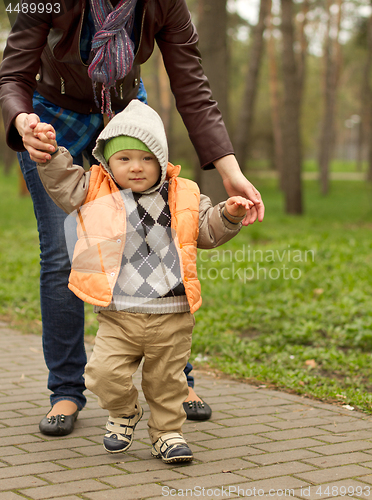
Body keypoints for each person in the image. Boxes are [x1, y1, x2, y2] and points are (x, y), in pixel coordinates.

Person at [0, 0, 265, 435]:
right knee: (63, 255)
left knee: (157, 239)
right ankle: (66, 389)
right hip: (48, 120)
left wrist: (229, 171)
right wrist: (21, 119)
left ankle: (179, 382)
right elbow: (12, 74)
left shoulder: (164, 3)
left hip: (125, 119)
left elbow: (191, 82)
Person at [35, 100, 253, 463]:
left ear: (161, 158)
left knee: (167, 382)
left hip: (172, 313)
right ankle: (123, 412)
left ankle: (167, 433)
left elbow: (206, 230)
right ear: (107, 162)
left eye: (147, 158)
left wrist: (228, 215)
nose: (136, 167)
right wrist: (50, 153)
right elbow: (62, 182)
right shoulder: (94, 190)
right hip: (119, 314)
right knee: (104, 375)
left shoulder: (183, 192)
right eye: (124, 159)